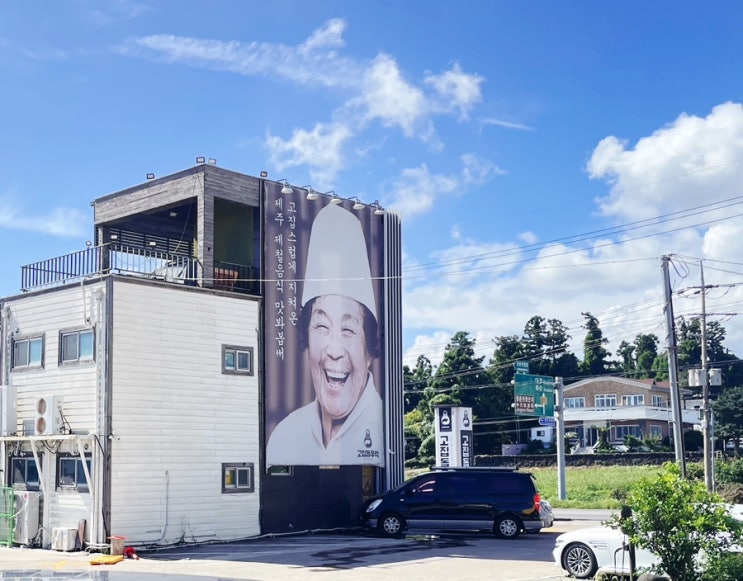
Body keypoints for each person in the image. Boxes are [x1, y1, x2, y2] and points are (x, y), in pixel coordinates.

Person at [266, 203, 384, 466]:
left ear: (370, 351)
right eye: (321, 326)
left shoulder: (382, 425)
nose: (333, 350)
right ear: (305, 340)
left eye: (348, 329)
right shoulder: (284, 436)